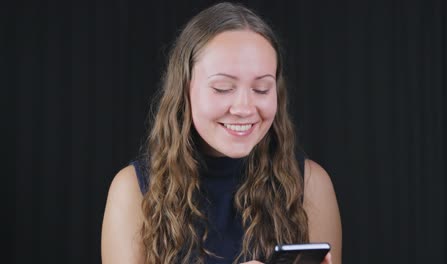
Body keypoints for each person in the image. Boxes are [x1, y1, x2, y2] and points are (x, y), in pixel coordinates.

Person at [101, 2, 342, 264]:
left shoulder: (311, 185)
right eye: (223, 88)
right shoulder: (133, 191)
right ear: (184, 89)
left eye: (261, 89)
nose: (244, 108)